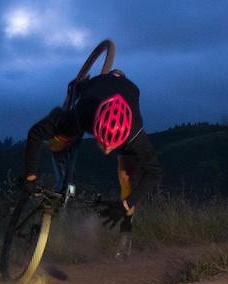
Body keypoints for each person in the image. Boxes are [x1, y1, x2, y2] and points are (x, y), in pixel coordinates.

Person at [20, 69, 162, 236]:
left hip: (125, 110)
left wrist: (125, 205)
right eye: (104, 143)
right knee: (58, 142)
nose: (108, 151)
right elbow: (35, 133)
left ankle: (127, 224)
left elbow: (154, 174)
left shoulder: (134, 135)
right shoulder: (81, 115)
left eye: (113, 145)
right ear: (95, 130)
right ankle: (64, 119)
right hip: (93, 93)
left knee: (127, 173)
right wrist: (30, 177)